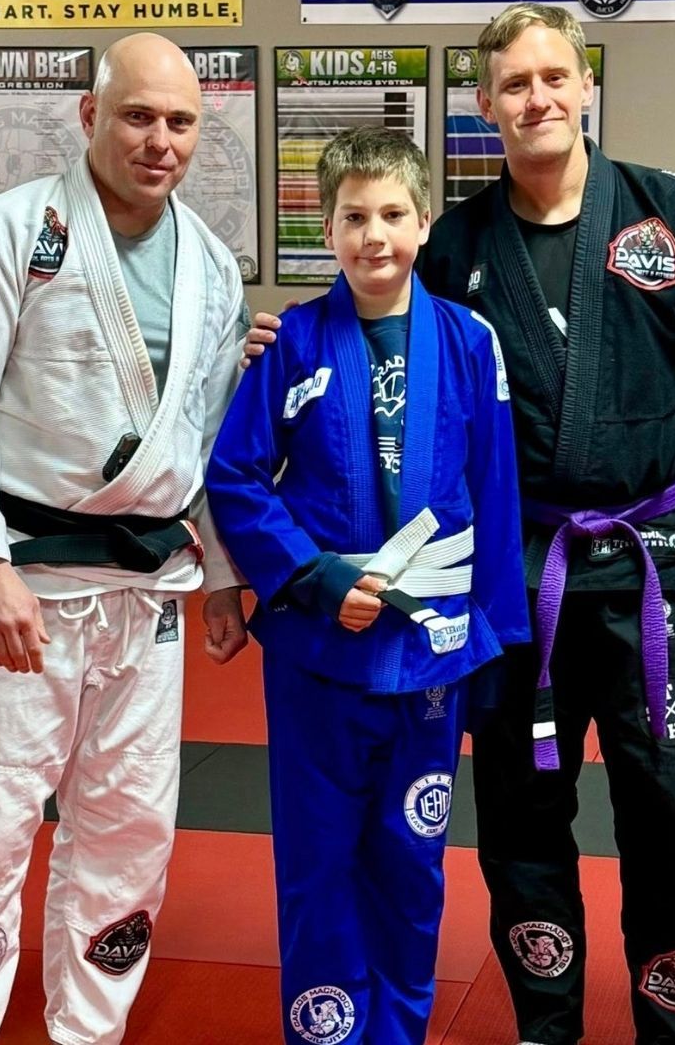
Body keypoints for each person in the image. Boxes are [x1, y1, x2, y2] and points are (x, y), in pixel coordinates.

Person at [244, 4, 675, 1045]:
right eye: (514, 85)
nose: (537, 99)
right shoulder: (456, 243)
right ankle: (547, 1020)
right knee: (525, 810)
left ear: (585, 86)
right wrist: (290, 337)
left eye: (553, 77)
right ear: (485, 106)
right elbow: (381, 317)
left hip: (648, 560)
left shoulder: (666, 212)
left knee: (669, 807)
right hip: (516, 570)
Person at [0, 33, 249, 1045]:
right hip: (29, 587)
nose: (160, 141)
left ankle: (88, 1031)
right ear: (91, 115)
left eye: (180, 122)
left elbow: (208, 440)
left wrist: (222, 576)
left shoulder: (212, 266)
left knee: (131, 835)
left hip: (151, 597)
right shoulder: (0, 233)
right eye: (138, 116)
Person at [206, 126, 529, 1045]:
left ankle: (398, 1031)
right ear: (327, 228)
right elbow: (235, 476)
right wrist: (313, 579)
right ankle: (326, 1030)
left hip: (430, 647)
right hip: (319, 647)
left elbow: (495, 491)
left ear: (425, 223)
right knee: (318, 858)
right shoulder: (292, 342)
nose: (373, 235)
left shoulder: (469, 341)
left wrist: (498, 639)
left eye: (392, 214)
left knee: (411, 857)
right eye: (353, 217)